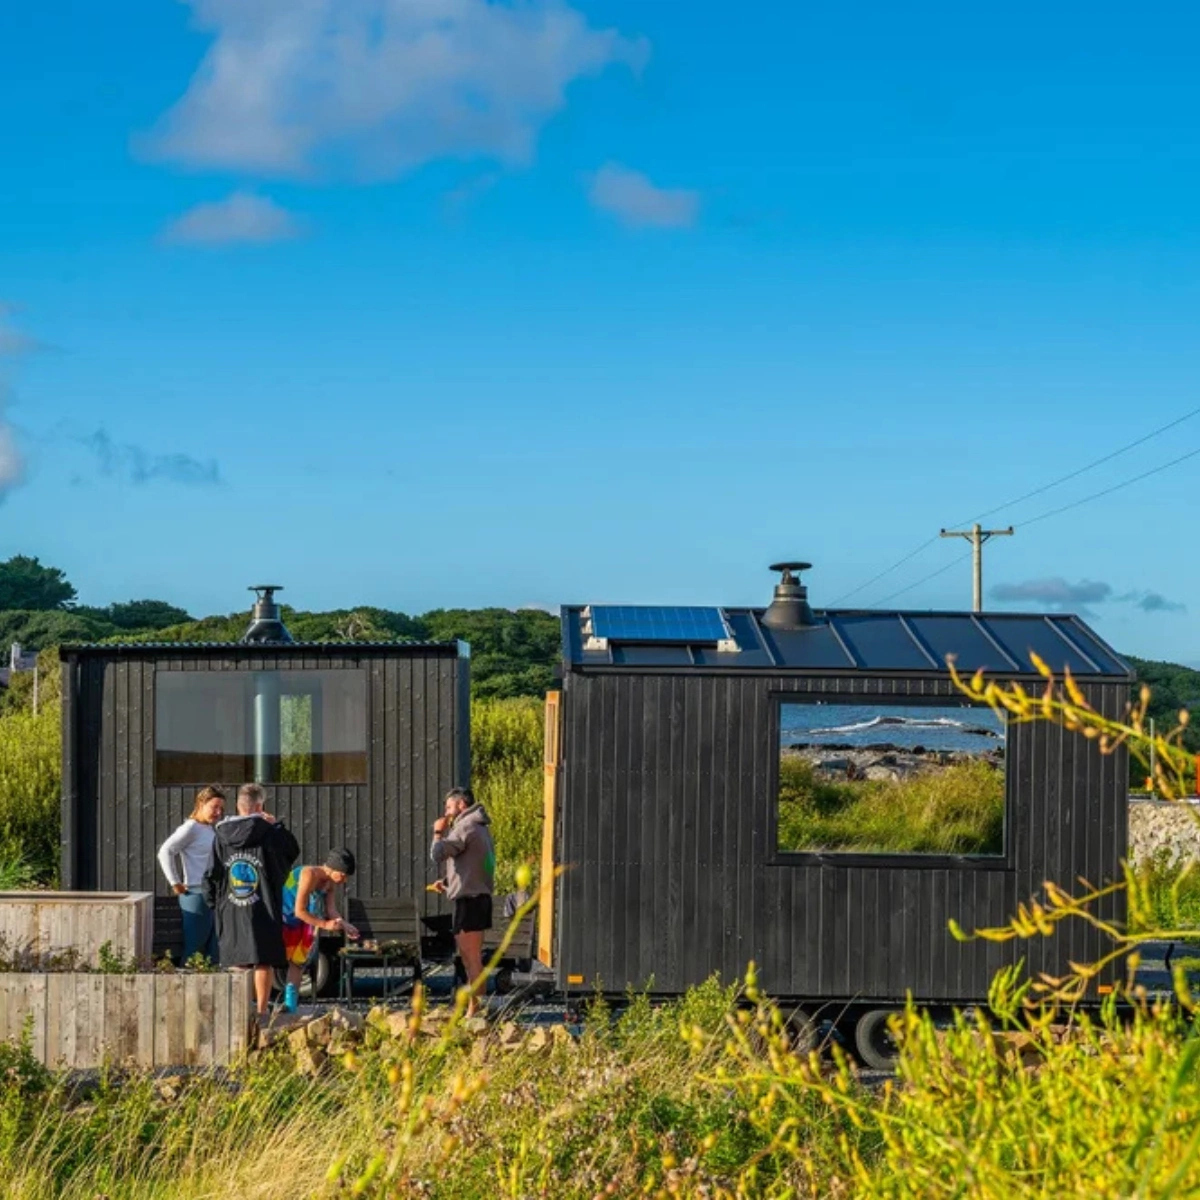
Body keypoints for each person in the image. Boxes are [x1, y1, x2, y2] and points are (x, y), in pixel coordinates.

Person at [202, 783, 299, 1019]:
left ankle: (238, 1013)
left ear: (238, 805)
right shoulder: (270, 833)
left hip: (231, 906)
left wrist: (214, 903)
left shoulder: (220, 834)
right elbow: (291, 853)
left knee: (238, 960)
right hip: (264, 905)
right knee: (262, 961)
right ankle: (262, 1012)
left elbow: (211, 873)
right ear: (259, 806)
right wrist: (277, 826)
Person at [430, 787, 495, 1016]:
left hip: (470, 902)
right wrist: (449, 883)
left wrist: (438, 832)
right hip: (476, 899)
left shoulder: (465, 826)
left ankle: (474, 1011)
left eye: (449, 806)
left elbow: (437, 854)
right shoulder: (479, 827)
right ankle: (476, 1008)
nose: (446, 811)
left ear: (461, 805)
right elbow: (473, 867)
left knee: (471, 959)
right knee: (471, 959)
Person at [280, 849, 361, 1013]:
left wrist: (344, 925)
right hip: (283, 918)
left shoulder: (329, 884)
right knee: (271, 962)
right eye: (343, 875)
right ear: (332, 868)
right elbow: (299, 910)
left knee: (298, 963)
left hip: (302, 923)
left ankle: (290, 1007)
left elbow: (331, 910)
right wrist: (325, 925)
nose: (344, 880)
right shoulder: (309, 874)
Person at [156, 785, 226, 963]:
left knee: (214, 947)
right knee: (195, 947)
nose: (218, 812)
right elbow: (165, 851)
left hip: (213, 892)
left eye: (221, 808)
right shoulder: (190, 828)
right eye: (214, 807)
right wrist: (175, 882)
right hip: (196, 893)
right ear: (201, 804)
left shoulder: (210, 828)